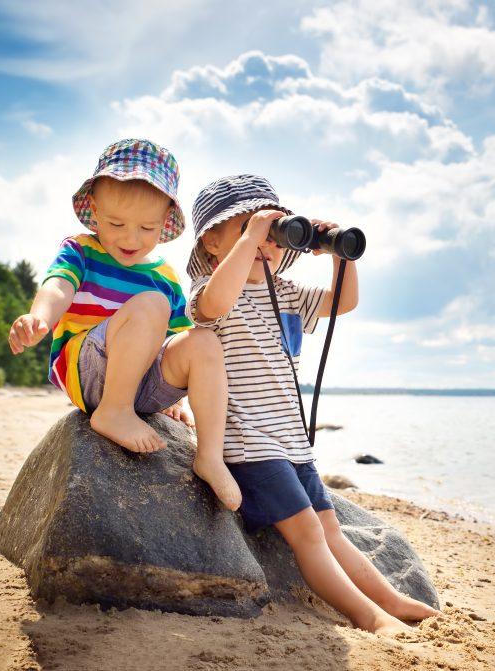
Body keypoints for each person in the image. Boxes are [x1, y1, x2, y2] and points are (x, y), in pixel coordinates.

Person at [186, 174, 439, 635]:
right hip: (249, 445)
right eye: (244, 228)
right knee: (306, 533)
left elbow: (344, 302)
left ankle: (390, 599)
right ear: (211, 243)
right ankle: (369, 617)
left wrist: (339, 254)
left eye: (273, 235)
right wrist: (252, 237)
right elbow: (215, 303)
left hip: (292, 443)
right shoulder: (208, 291)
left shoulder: (287, 294)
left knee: (331, 530)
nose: (264, 242)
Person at [6, 138, 241, 511]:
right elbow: (59, 285)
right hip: (90, 369)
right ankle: (114, 411)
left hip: (140, 384)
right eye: (116, 223)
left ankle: (210, 454)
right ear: (94, 212)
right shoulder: (82, 249)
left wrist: (172, 398)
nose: (131, 238)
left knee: (203, 341)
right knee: (151, 305)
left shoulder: (164, 274)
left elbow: (175, 342)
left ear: (165, 223)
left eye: (147, 228)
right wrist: (40, 318)